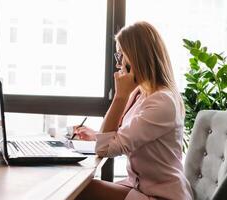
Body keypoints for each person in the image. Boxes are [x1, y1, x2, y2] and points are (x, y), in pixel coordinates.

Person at [74, 21, 193, 200]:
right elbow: (122, 136)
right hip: (141, 187)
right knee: (81, 186)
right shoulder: (141, 93)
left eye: (121, 55)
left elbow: (104, 149)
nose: (119, 64)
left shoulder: (161, 101)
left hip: (162, 196)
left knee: (83, 189)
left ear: (137, 57)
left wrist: (119, 97)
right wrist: (96, 135)